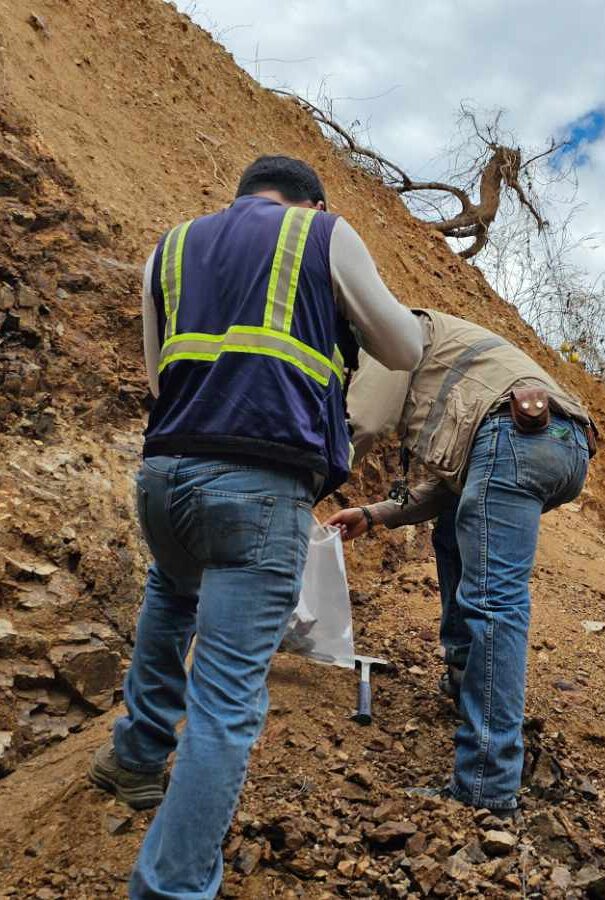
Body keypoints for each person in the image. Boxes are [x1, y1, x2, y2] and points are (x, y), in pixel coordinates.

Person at [87, 156, 423, 898]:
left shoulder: (168, 247)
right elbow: (403, 349)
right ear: (310, 201)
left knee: (173, 595)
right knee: (227, 701)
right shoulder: (323, 234)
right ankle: (172, 887)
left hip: (165, 475)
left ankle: (136, 756)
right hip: (260, 486)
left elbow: (157, 375)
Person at [327, 310, 596, 817]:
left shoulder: (387, 332)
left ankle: (486, 785)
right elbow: (446, 487)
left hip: (514, 436)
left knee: (495, 602)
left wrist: (305, 483)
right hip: (560, 442)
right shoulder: (442, 350)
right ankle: (463, 678)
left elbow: (365, 421)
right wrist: (373, 513)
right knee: (453, 527)